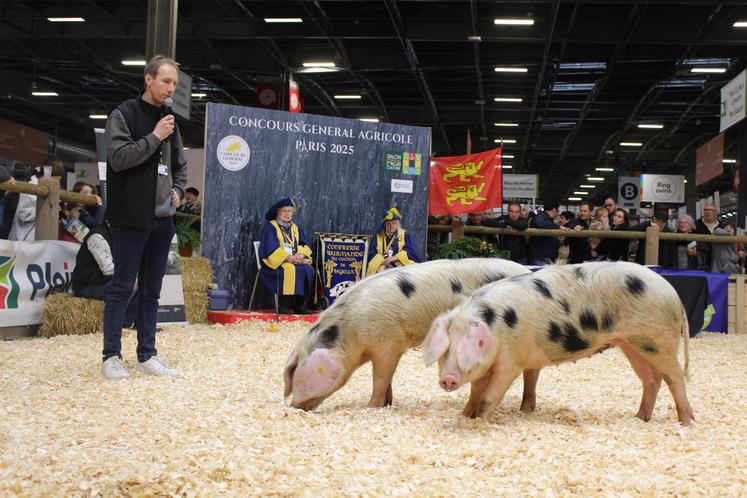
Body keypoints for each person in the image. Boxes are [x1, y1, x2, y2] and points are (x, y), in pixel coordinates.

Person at [101, 54, 187, 380]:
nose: (171, 88)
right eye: (166, 81)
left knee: (152, 290)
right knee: (122, 287)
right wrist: (155, 137)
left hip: (163, 218)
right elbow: (119, 158)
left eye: (175, 84)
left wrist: (178, 188)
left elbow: (179, 164)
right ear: (148, 79)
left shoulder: (170, 120)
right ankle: (111, 356)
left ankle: (146, 355)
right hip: (130, 216)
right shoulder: (123, 114)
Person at [72, 222, 136, 326]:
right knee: (128, 285)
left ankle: (127, 322)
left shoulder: (114, 236)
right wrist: (130, 271)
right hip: (87, 284)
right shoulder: (97, 236)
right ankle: (119, 322)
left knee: (140, 283)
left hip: (102, 280)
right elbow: (108, 270)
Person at [258, 197, 314, 315]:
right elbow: (270, 247)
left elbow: (305, 244)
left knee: (307, 269)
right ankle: (283, 305)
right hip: (276, 263)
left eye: (290, 211)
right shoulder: (271, 227)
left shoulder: (295, 228)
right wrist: (288, 258)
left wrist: (301, 255)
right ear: (277, 212)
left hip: (294, 260)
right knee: (288, 269)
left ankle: (300, 305)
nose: (287, 214)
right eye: (284, 211)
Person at [8, 158, 65, 241]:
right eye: (54, 181)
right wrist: (44, 208)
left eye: (57, 182)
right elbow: (23, 215)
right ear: (47, 174)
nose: (55, 185)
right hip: (23, 238)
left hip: (38, 239)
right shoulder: (30, 187)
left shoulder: (46, 190)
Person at [367, 207, 423, 274]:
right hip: (382, 267)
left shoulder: (405, 235)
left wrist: (394, 258)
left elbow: (413, 252)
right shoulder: (377, 237)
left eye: (393, 223)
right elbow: (371, 255)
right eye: (389, 224)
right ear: (385, 225)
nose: (391, 226)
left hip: (399, 266)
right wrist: (382, 261)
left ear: (397, 224)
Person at [527, 200, 560, 265]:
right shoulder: (541, 216)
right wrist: (558, 226)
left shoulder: (547, 218)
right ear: (554, 209)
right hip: (541, 258)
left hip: (544, 257)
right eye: (557, 210)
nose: (557, 213)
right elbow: (539, 223)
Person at [694, 203, 723, 271]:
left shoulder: (721, 225)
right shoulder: (696, 224)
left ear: (715, 212)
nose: (708, 212)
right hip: (701, 260)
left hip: (718, 259)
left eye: (711, 210)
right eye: (706, 210)